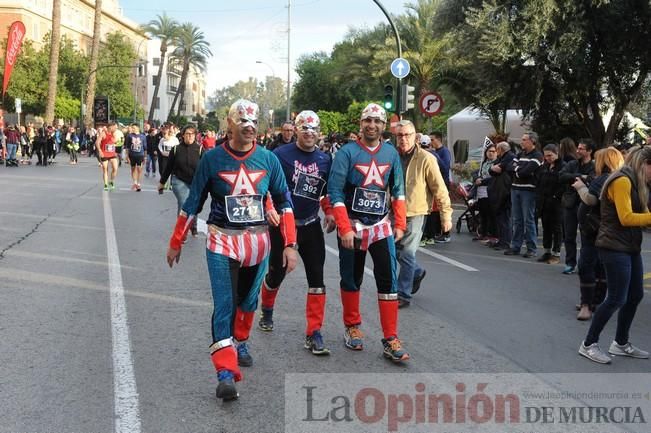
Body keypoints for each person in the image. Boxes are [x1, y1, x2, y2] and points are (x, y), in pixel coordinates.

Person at [165, 99, 297, 400]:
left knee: (248, 302)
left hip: (258, 242)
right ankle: (225, 372)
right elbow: (193, 202)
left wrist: (290, 245)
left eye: (254, 123)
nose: (249, 128)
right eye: (243, 122)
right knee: (225, 304)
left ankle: (241, 340)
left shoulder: (268, 159)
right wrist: (176, 241)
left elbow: (285, 201)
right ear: (229, 123)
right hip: (222, 240)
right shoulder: (212, 159)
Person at [327, 103, 409, 363]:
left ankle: (390, 338)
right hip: (352, 226)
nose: (372, 125)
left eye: (377, 121)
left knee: (388, 280)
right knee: (351, 278)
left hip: (381, 226)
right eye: (367, 120)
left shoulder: (391, 153)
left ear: (384, 126)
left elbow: (398, 190)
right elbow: (335, 192)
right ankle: (352, 326)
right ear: (360, 124)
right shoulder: (347, 153)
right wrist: (343, 226)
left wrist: (400, 224)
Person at [258, 110, 335, 355]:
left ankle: (314, 332)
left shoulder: (325, 159)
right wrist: (269, 208)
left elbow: (323, 191)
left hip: (311, 224)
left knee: (317, 278)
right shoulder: (279, 155)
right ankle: (267, 310)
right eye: (305, 129)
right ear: (296, 130)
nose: (309, 133)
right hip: (282, 225)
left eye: (314, 129)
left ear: (319, 132)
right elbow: (265, 188)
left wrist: (330, 212)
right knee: (276, 274)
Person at [579, 146, 651, 364]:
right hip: (613, 246)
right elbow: (626, 218)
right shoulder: (622, 181)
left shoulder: (637, 182)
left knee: (636, 294)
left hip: (629, 246)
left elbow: (644, 213)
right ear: (644, 164)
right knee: (616, 298)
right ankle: (588, 344)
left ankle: (620, 343)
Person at [394, 120, 451, 308]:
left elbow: (439, 188)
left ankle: (403, 293)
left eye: (407, 135)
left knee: (408, 252)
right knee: (392, 250)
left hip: (416, 212)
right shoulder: (391, 155)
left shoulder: (426, 158)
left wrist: (446, 215)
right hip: (393, 211)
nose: (403, 139)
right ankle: (416, 272)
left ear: (415, 136)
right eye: (400, 135)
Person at [572, 147, 624, 321]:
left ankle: (587, 304)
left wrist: (580, 187)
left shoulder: (603, 178)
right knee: (601, 266)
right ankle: (596, 302)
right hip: (606, 230)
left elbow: (591, 199)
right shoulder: (618, 177)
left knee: (587, 265)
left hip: (594, 229)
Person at [559, 139, 595, 274]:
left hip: (585, 205)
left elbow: (593, 179)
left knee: (586, 237)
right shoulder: (572, 164)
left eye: (581, 149)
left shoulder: (593, 166)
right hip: (570, 204)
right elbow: (562, 176)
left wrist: (582, 178)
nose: (578, 151)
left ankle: (585, 264)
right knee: (569, 236)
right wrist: (580, 176)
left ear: (590, 151)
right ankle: (570, 262)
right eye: (578, 148)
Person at [504, 132, 543, 258]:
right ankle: (516, 246)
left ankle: (532, 248)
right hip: (515, 189)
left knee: (528, 220)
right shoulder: (520, 154)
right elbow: (510, 167)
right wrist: (518, 170)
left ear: (532, 142)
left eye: (524, 140)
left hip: (528, 191)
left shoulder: (537, 156)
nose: (522, 142)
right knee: (517, 220)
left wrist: (518, 169)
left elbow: (527, 171)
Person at [159, 125, 203, 236]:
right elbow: (168, 167)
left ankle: (193, 225)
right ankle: (181, 230)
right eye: (187, 134)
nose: (190, 136)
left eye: (192, 134)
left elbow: (205, 168)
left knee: (194, 203)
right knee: (184, 203)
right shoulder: (176, 149)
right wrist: (162, 182)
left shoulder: (200, 149)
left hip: (195, 182)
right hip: (179, 181)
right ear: (183, 135)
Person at [536, 144, 565, 264]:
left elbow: (564, 184)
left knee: (556, 229)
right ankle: (547, 251)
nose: (548, 158)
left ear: (556, 153)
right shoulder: (545, 166)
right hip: (544, 201)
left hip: (556, 203)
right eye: (546, 156)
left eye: (550, 155)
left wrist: (555, 196)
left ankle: (556, 253)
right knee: (546, 227)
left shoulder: (563, 166)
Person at [488, 141, 515, 250]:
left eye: (497, 150)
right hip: (499, 190)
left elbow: (501, 168)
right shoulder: (501, 158)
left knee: (505, 218)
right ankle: (501, 240)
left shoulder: (510, 157)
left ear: (500, 150)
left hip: (505, 191)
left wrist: (496, 168)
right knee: (500, 217)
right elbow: (493, 169)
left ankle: (506, 241)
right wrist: (494, 168)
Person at [426, 131, 452, 243]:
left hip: (443, 183)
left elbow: (445, 167)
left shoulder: (444, 151)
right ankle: (437, 231)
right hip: (434, 183)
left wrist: (434, 155)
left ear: (438, 139)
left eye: (432, 140)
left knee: (442, 207)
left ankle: (446, 233)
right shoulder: (434, 152)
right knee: (434, 210)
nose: (430, 142)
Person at [474, 144, 498, 241]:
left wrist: (482, 181)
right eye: (489, 151)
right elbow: (477, 173)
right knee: (483, 213)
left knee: (491, 213)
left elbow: (494, 178)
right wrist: (476, 179)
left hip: (491, 190)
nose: (491, 153)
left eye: (493, 151)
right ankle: (483, 233)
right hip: (481, 191)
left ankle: (493, 234)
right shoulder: (484, 163)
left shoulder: (496, 163)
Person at [96, 122, 118, 191]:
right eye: (115, 127)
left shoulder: (114, 133)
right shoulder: (103, 133)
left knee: (115, 168)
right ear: (110, 127)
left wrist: (116, 139)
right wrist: (100, 151)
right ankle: (105, 184)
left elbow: (115, 141)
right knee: (105, 169)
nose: (116, 128)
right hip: (104, 153)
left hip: (112, 154)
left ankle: (111, 181)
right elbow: (97, 142)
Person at [124, 123, 146, 191]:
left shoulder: (143, 136)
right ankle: (135, 182)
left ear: (138, 128)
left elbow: (145, 147)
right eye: (132, 127)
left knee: (139, 169)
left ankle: (138, 184)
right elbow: (127, 147)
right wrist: (127, 156)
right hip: (132, 154)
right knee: (133, 169)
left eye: (134, 127)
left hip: (140, 154)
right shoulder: (129, 136)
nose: (133, 129)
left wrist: (145, 157)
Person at [158, 124, 179, 189]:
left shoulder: (174, 139)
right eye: (163, 133)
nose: (164, 135)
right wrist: (162, 152)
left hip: (172, 157)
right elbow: (159, 146)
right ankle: (164, 183)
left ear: (169, 132)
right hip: (165, 157)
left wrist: (173, 154)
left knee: (172, 171)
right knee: (164, 170)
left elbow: (177, 147)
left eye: (165, 133)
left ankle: (171, 184)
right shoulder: (162, 139)